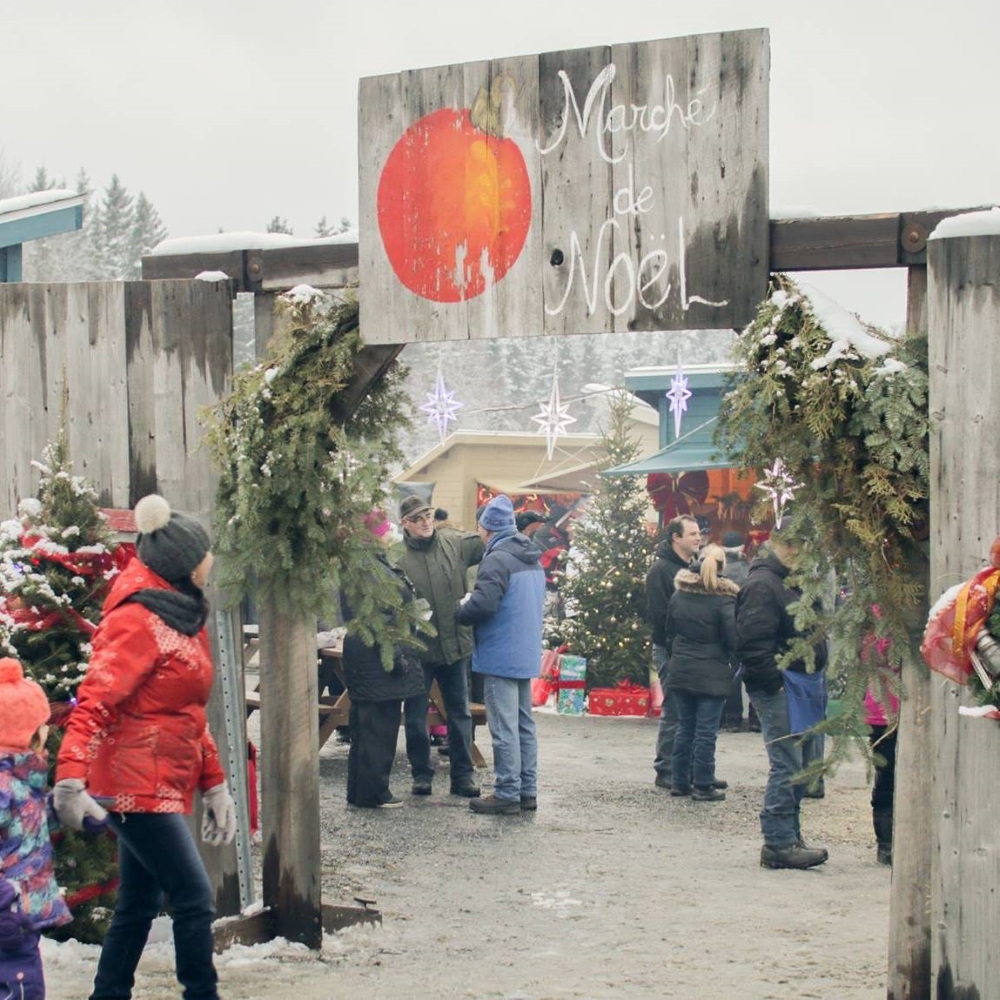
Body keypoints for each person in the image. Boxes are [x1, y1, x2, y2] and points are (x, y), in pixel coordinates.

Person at [52, 494, 236, 1000]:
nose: (211, 560)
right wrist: (70, 779)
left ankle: (108, 994)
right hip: (133, 784)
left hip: (158, 778)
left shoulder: (178, 614)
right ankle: (202, 993)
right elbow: (93, 701)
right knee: (195, 898)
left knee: (139, 899)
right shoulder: (136, 619)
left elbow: (185, 712)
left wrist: (215, 783)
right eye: (205, 553)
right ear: (184, 562)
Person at [735, 524, 829, 870]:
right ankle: (778, 841)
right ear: (775, 543)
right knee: (787, 762)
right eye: (789, 544)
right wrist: (773, 683)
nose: (796, 551)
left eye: (802, 545)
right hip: (782, 684)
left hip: (802, 681)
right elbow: (751, 641)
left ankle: (790, 835)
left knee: (800, 763)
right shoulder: (763, 585)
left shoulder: (794, 582)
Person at [456, 494, 545, 815]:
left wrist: (460, 609)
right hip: (524, 651)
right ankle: (527, 791)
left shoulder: (497, 559)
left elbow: (483, 604)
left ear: (487, 529)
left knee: (504, 726)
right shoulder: (530, 554)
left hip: (500, 652)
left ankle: (507, 791)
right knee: (524, 725)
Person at [391, 494, 483, 799]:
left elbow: (487, 542)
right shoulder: (396, 557)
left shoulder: (453, 543)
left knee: (460, 715)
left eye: (428, 515)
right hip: (418, 649)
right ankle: (421, 774)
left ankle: (462, 776)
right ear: (405, 524)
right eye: (417, 519)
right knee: (416, 717)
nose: (425, 522)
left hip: (455, 646)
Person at [341, 512, 427, 809]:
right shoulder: (371, 567)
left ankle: (360, 791)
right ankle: (374, 792)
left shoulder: (366, 563)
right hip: (379, 658)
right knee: (379, 726)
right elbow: (384, 617)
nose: (390, 533)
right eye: (385, 528)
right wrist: (401, 653)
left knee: (366, 727)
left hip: (365, 654)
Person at [0, 657, 72, 1000]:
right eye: (42, 732)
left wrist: (62, 809)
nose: (48, 739)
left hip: (21, 911)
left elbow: (26, 824)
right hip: (9, 911)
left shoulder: (22, 780)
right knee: (22, 987)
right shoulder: (3, 784)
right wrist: (4, 900)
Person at [665, 545, 739, 801]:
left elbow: (669, 629)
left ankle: (679, 781)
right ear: (721, 567)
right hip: (712, 669)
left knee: (685, 727)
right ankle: (704, 783)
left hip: (682, 666)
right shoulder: (724, 599)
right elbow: (732, 639)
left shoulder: (679, 594)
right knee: (706, 731)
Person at [646, 515, 701, 789]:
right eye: (692, 533)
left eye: (698, 533)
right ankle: (666, 767)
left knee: (689, 709)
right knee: (675, 708)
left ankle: (685, 767)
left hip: (691, 649)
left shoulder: (694, 567)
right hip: (671, 649)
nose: (698, 538)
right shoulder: (661, 571)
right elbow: (659, 615)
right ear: (676, 537)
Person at [719, 530, 751, 731]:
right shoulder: (749, 569)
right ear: (741, 548)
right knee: (750, 669)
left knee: (731, 672)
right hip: (747, 625)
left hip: (725, 625)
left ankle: (732, 718)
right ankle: (756, 719)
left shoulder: (718, 571)